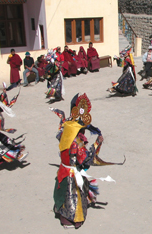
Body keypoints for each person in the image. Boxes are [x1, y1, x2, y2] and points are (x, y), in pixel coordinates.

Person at [51, 93, 124, 229]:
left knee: (63, 192)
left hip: (63, 168)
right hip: (72, 174)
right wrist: (97, 144)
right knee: (73, 197)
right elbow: (86, 159)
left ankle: (61, 211)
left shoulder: (66, 127)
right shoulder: (77, 141)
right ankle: (71, 218)